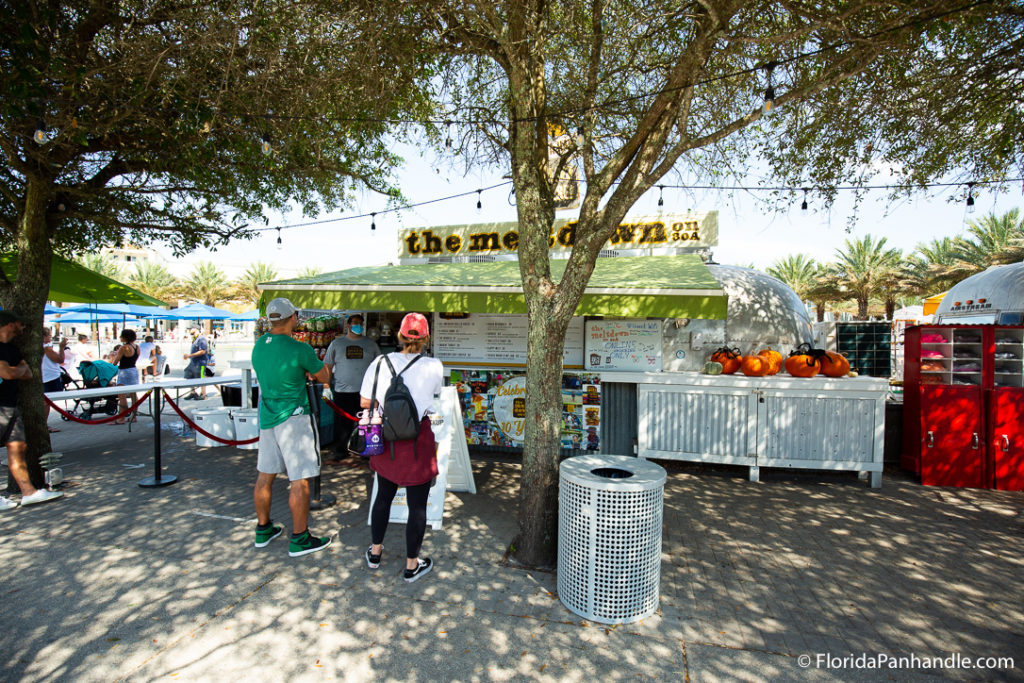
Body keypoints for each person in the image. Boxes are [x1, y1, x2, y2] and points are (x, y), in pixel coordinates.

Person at [360, 312, 443, 583]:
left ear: (399, 335)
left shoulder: (380, 362)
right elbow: (434, 397)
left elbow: (364, 401)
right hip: (418, 441)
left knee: (383, 496)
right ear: (426, 338)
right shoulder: (434, 366)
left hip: (387, 440)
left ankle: (374, 552)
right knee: (417, 505)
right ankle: (411, 565)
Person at [251, 298, 333, 557]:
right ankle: (300, 538)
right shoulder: (301, 349)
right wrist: (310, 372)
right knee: (300, 479)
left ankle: (263, 529)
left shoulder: (258, 347)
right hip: (295, 418)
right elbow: (325, 376)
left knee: (265, 475)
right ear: (293, 318)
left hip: (267, 417)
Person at [0, 311, 64, 511]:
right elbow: (8, 373)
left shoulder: (12, 349)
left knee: (18, 447)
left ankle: (28, 492)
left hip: (11, 405)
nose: (23, 328)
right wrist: (16, 371)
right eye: (20, 324)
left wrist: (15, 371)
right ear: (10, 324)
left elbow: (26, 373)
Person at [323, 313, 380, 462]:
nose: (358, 326)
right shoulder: (336, 344)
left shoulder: (371, 344)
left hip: (365, 393)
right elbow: (328, 366)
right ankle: (341, 451)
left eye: (361, 323)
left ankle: (365, 450)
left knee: (366, 423)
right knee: (342, 425)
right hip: (342, 391)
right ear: (348, 325)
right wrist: (326, 386)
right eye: (355, 323)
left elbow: (379, 366)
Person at [41, 327, 69, 433]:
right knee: (46, 403)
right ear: (43, 337)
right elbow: (60, 360)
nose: (50, 338)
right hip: (50, 377)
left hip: (45, 377)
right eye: (49, 336)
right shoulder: (47, 348)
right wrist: (62, 347)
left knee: (46, 402)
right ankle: (44, 425)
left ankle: (44, 424)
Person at [110, 329, 140, 424]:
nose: (120, 337)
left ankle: (121, 418)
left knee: (122, 395)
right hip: (134, 370)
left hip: (124, 371)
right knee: (133, 394)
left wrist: (112, 356)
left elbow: (115, 362)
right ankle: (134, 416)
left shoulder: (124, 348)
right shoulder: (137, 347)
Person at [183, 327, 211, 400]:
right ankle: (193, 392)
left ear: (197, 330)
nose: (192, 334)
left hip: (200, 362)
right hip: (193, 362)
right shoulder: (195, 339)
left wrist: (189, 355)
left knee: (202, 377)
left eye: (193, 332)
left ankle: (203, 394)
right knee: (188, 374)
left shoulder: (201, 339)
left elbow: (203, 351)